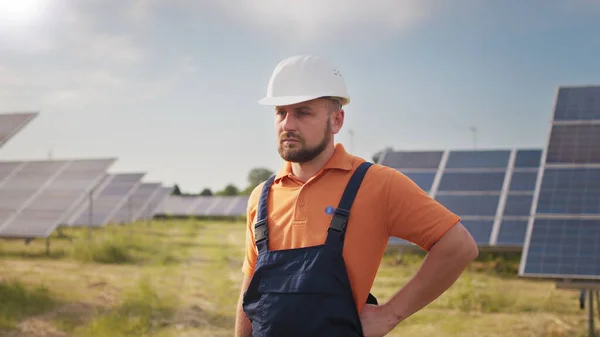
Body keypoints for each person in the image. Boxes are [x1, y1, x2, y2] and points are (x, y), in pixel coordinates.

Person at [234, 55, 479, 337]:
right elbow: (250, 284)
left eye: (303, 112)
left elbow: (459, 246)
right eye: (280, 112)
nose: (287, 124)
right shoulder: (261, 197)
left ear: (337, 120)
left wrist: (389, 315)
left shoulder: (377, 184)